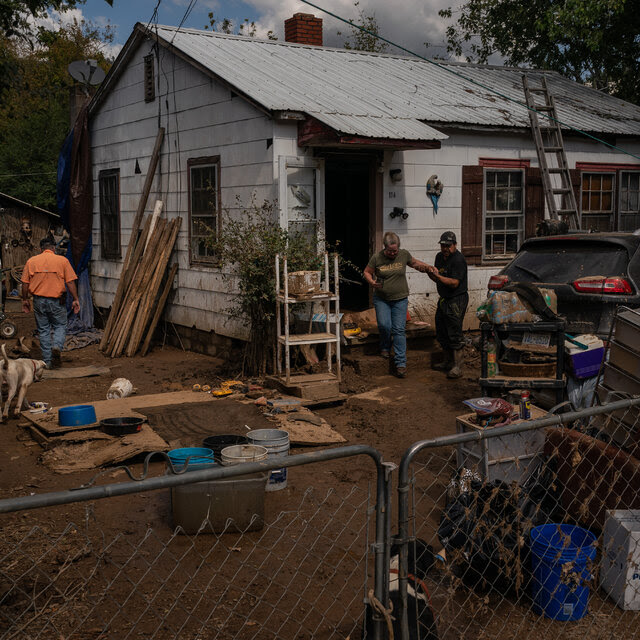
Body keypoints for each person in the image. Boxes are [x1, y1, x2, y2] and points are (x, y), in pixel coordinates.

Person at [364, 232, 430, 378]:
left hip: (400, 299)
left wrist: (428, 267)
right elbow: (367, 272)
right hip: (382, 299)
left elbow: (415, 263)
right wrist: (372, 282)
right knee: (384, 325)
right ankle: (385, 347)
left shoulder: (403, 254)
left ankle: (401, 363)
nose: (393, 253)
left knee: (399, 329)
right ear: (384, 247)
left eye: (395, 250)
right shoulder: (377, 258)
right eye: (390, 251)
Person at [21, 237, 80, 369]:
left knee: (43, 330)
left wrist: (25, 299)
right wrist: (75, 299)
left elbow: (25, 284)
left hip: (38, 301)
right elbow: (70, 282)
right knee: (60, 325)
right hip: (57, 301)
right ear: (54, 248)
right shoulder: (62, 261)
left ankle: (47, 362)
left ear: (41, 249)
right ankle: (57, 346)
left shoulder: (31, 261)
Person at [426, 231, 468, 379]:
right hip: (444, 298)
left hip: (456, 299)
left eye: (448, 246)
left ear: (455, 245)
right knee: (442, 330)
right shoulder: (439, 257)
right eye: (443, 245)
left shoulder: (458, 260)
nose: (445, 248)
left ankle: (457, 366)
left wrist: (437, 276)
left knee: (454, 332)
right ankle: (447, 361)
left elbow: (454, 283)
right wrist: (431, 274)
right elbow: (439, 279)